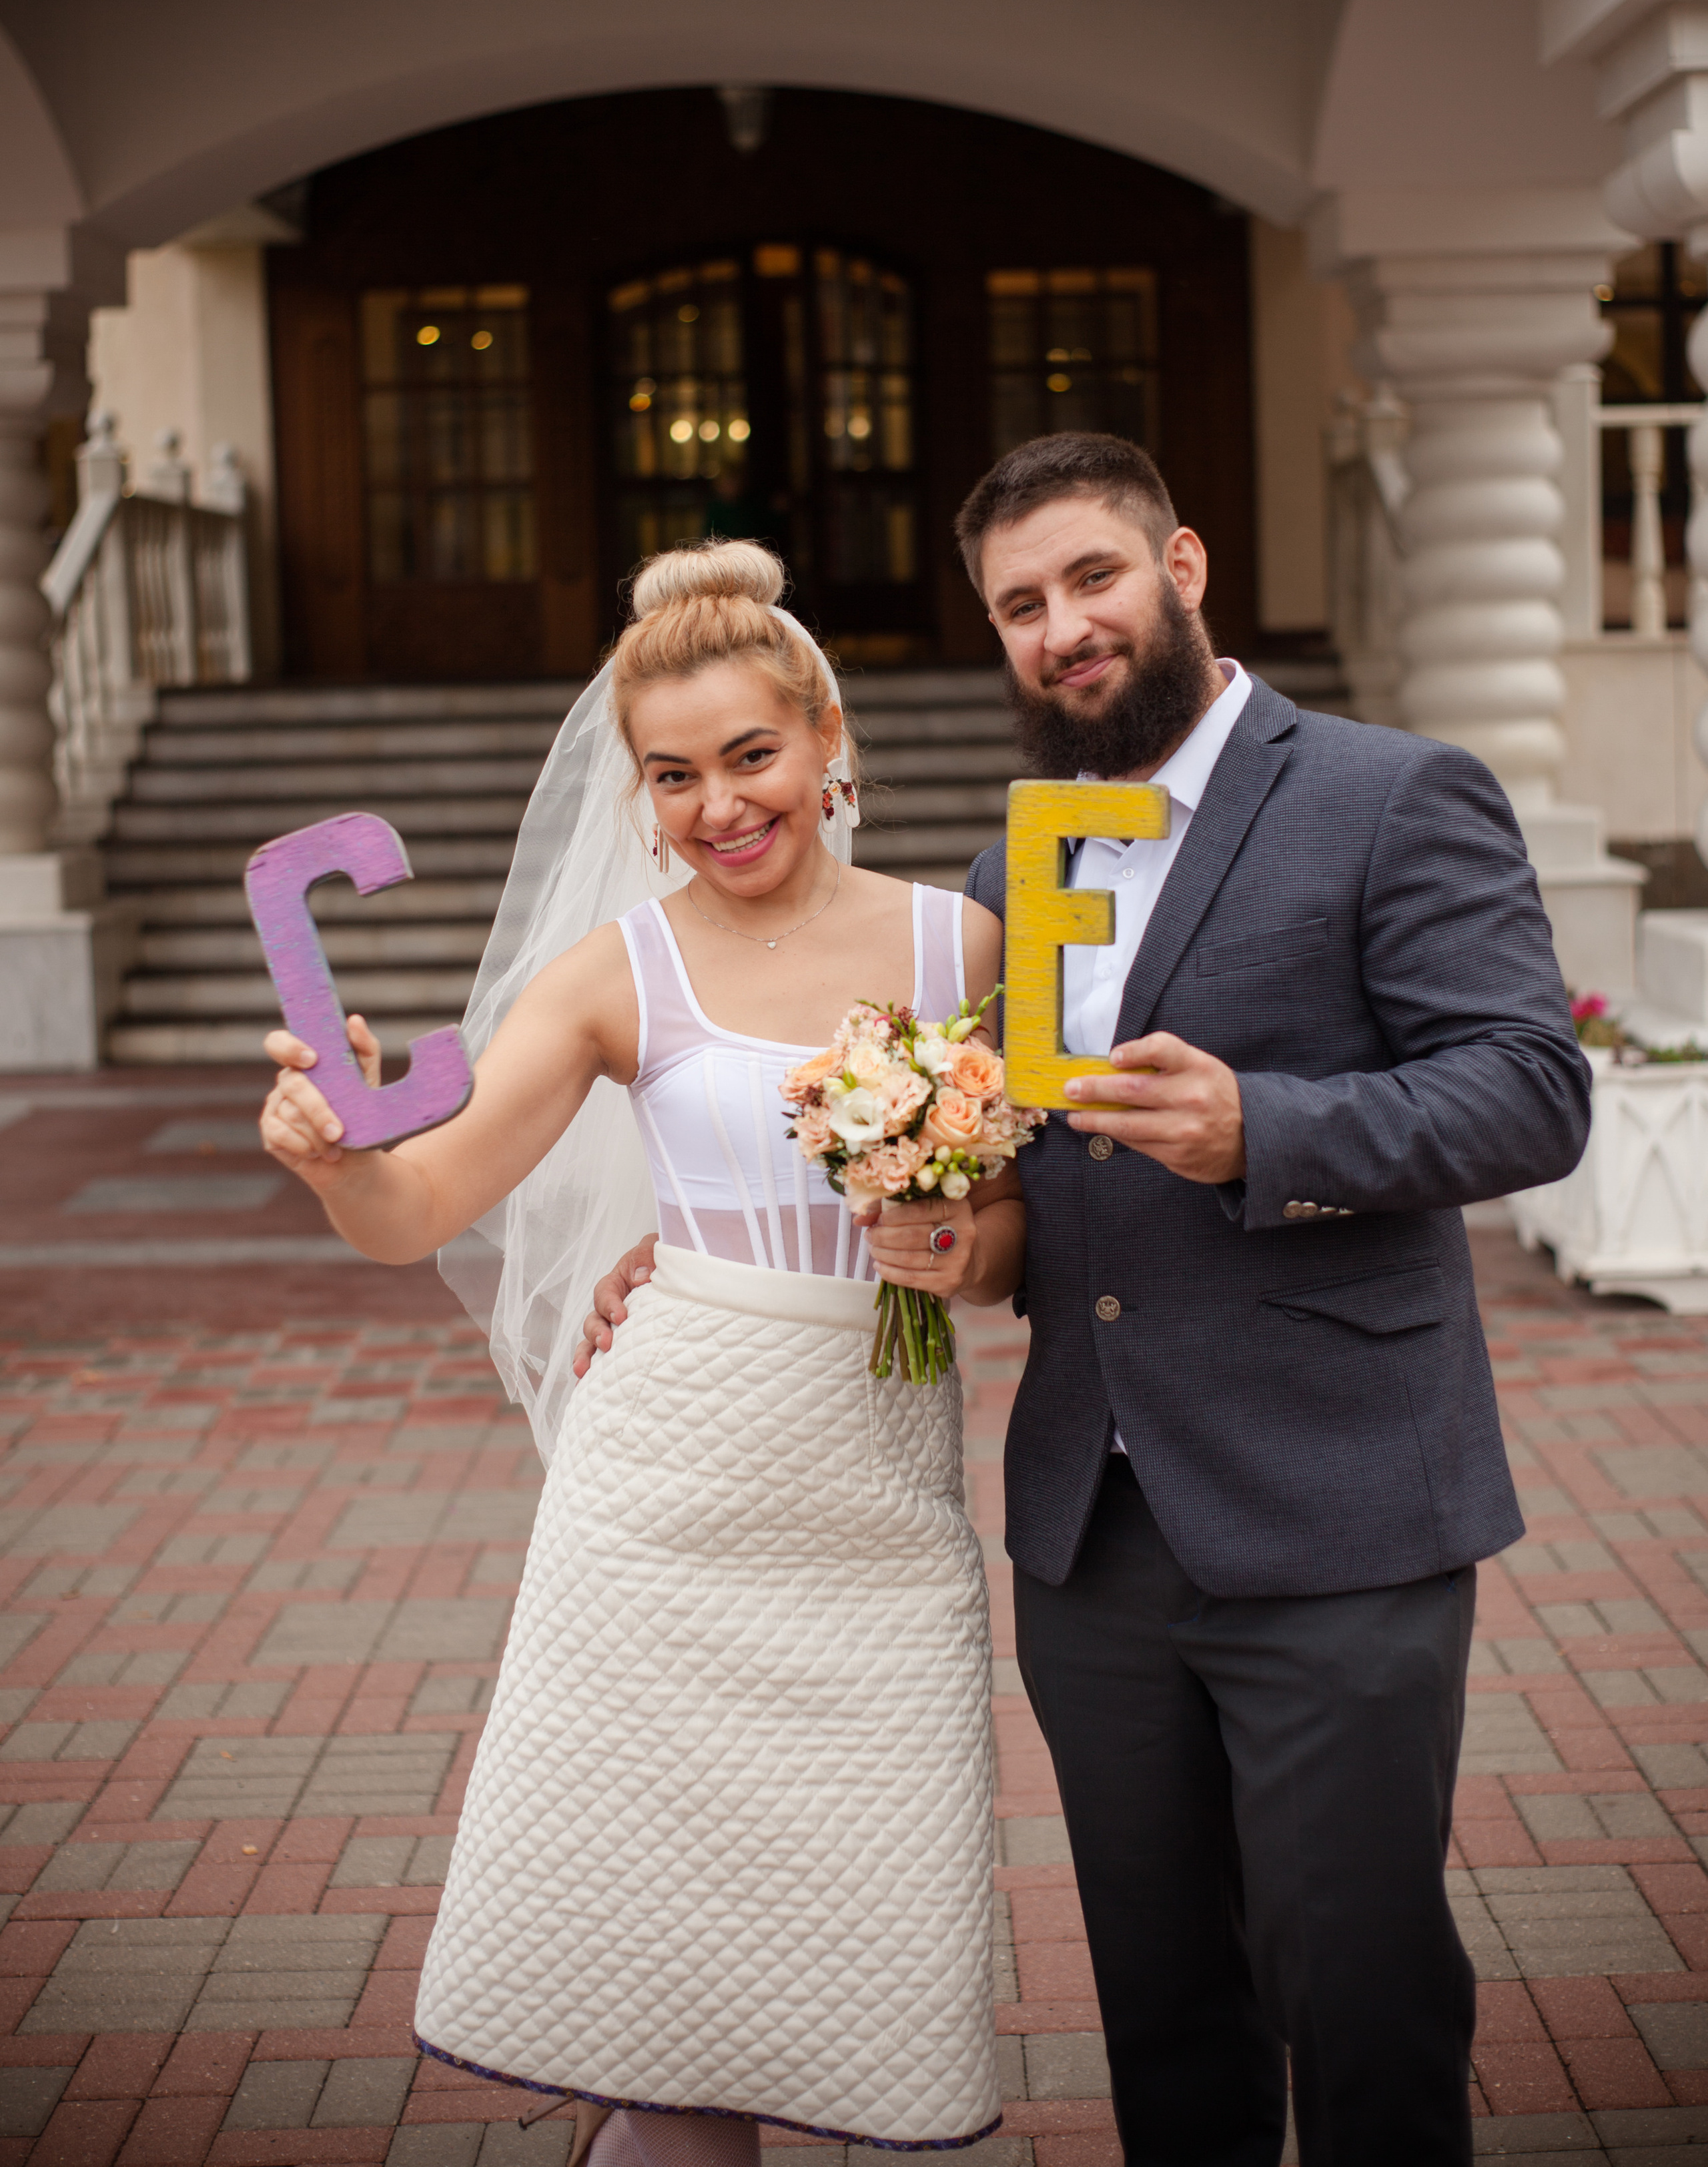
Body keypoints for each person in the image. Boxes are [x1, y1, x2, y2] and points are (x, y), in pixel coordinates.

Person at [589, 437, 1593, 2167]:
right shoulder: (1020, 869)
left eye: (1094, 580)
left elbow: (1529, 1091)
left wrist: (1264, 1125)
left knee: (1357, 1988)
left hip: (1339, 1504)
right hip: (1095, 1528)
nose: (1065, 627)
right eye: (1021, 605)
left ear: (1184, 567)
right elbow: (1015, 1178)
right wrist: (750, 1244)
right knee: (1165, 2005)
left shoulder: (1386, 792)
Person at [258, 542, 1023, 2164]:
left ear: (827, 738)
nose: (716, 805)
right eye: (670, 777)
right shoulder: (613, 975)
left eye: (750, 756)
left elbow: (1029, 1224)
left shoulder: (967, 949)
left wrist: (956, 1251)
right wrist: (338, 1161)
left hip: (877, 1509)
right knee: (663, 2021)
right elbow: (421, 1207)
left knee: (843, 1945)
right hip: (662, 1507)